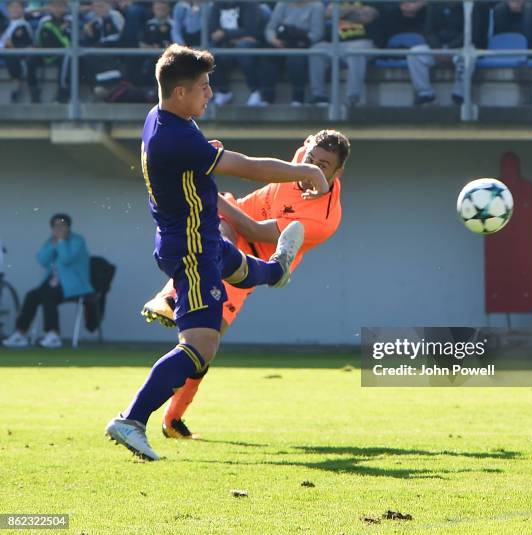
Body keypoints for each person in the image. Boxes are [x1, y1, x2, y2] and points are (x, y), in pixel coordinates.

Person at [104, 44, 329, 461]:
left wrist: (205, 152)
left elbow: (195, 160)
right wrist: (302, 170)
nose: (210, 93)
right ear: (179, 93)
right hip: (192, 250)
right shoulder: (176, 137)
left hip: (199, 240)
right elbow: (247, 167)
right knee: (200, 347)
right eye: (204, 87)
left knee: (242, 269)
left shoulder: (163, 118)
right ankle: (131, 419)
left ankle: (276, 269)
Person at [140, 129, 349, 439]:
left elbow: (253, 229)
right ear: (304, 150)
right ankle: (169, 298)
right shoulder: (303, 161)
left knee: (205, 348)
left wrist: (209, 193)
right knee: (214, 246)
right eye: (310, 159)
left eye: (323, 166)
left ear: (337, 172)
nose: (311, 170)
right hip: (225, 231)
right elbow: (261, 164)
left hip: (249, 262)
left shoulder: (324, 218)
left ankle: (173, 419)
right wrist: (214, 156)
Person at [2, 214, 93, 349]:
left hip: (75, 287)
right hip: (52, 285)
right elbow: (42, 260)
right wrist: (53, 245)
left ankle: (53, 335)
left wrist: (61, 242)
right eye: (56, 226)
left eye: (62, 225)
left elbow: (67, 258)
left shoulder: (77, 240)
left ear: (68, 227)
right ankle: (20, 333)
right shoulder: (51, 241)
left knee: (48, 296)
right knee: (32, 296)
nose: (59, 228)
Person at [263, 1, 325, 106]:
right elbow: (270, 28)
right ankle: (267, 98)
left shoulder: (317, 6)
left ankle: (297, 98)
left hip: (302, 44)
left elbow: (317, 34)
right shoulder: (282, 4)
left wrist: (299, 41)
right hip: (281, 42)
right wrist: (273, 39)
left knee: (295, 57)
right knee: (267, 55)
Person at [407, 0, 466, 106]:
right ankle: (426, 94)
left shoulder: (472, 5)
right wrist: (437, 49)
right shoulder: (435, 4)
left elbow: (473, 32)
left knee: (468, 57)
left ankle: (459, 95)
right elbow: (428, 31)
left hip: (461, 48)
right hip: (437, 48)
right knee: (415, 53)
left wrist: (449, 49)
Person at [208, 1, 266, 107]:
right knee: (208, 53)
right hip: (226, 42)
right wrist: (230, 37)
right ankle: (222, 91)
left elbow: (251, 31)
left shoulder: (250, 4)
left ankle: (256, 91)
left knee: (243, 48)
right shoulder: (218, 4)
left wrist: (226, 33)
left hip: (250, 42)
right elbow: (212, 30)